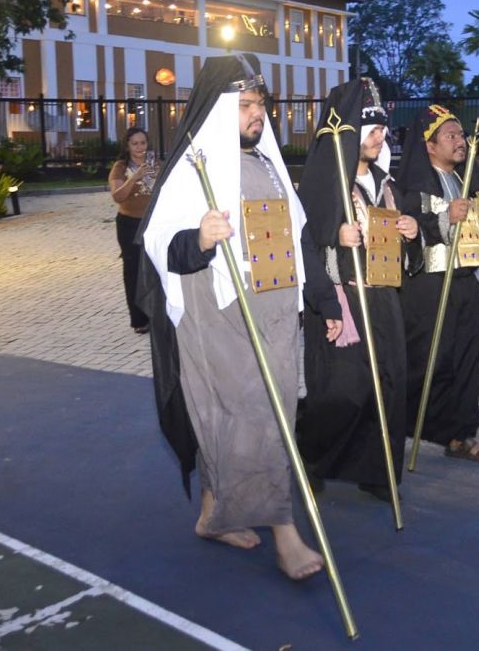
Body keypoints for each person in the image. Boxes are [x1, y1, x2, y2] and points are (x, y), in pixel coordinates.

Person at [139, 53, 340, 581]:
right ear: (218, 109)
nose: (257, 114)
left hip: (276, 310)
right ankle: (285, 531)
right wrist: (200, 238)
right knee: (255, 416)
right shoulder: (195, 168)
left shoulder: (269, 165)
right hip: (222, 315)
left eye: (260, 105)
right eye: (245, 105)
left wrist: (325, 300)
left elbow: (298, 238)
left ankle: (214, 513)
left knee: (257, 415)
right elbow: (159, 244)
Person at [297, 78, 418, 503]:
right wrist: (335, 236)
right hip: (343, 300)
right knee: (344, 391)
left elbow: (405, 251)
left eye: (383, 128)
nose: (380, 136)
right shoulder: (325, 185)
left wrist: (411, 231)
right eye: (371, 128)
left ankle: (376, 470)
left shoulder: (386, 183)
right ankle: (311, 459)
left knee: (387, 385)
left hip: (384, 297)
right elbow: (303, 245)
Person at [398, 105, 479, 465]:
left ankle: (460, 435)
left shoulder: (464, 182)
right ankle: (394, 427)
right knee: (428, 364)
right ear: (429, 145)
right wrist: (445, 218)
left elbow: (470, 234)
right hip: (428, 288)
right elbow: (407, 232)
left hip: (463, 285)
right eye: (451, 135)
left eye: (461, 134)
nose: (460, 141)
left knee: (466, 362)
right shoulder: (411, 187)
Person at [109, 127, 158, 334]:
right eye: (135, 144)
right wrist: (135, 177)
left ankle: (157, 315)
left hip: (153, 223)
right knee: (134, 270)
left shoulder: (155, 164)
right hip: (129, 223)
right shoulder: (121, 167)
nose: (139, 147)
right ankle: (139, 320)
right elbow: (118, 196)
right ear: (127, 146)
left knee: (156, 268)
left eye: (143, 143)